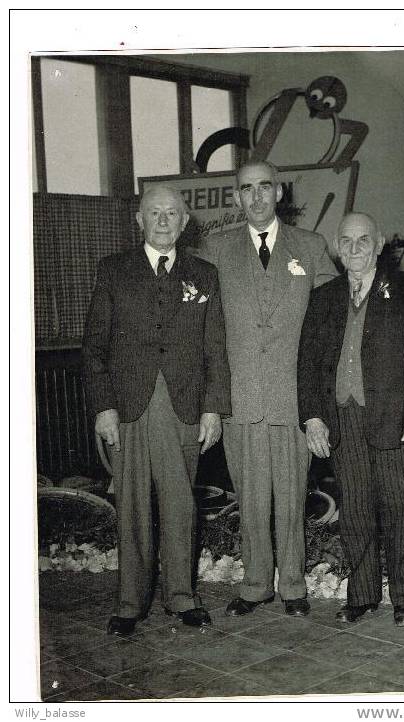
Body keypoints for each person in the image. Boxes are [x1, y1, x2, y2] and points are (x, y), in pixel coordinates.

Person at [82, 185, 231, 635]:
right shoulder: (114, 270)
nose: (163, 220)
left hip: (183, 406)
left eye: (172, 213)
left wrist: (213, 409)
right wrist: (103, 408)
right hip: (128, 408)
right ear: (139, 220)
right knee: (130, 505)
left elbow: (215, 349)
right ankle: (130, 602)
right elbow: (94, 349)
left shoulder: (204, 274)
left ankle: (182, 596)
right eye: (154, 213)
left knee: (181, 504)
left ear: (185, 223)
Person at [195, 160, 337, 617]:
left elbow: (332, 323)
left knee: (292, 499)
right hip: (242, 401)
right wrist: (211, 401)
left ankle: (293, 585)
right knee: (250, 500)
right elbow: (203, 329)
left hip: (294, 400)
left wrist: (321, 402)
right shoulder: (215, 249)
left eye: (264, 188)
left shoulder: (311, 246)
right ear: (236, 197)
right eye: (246, 189)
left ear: (279, 193)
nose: (256, 197)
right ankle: (255, 584)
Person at [297, 212, 404, 626]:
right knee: (356, 510)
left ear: (379, 244)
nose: (356, 247)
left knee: (402, 508)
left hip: (397, 421)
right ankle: (360, 596)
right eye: (347, 240)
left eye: (364, 240)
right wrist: (312, 418)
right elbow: (307, 366)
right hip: (343, 419)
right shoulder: (323, 297)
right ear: (337, 247)